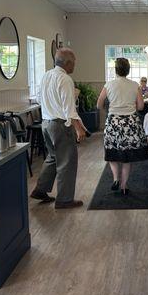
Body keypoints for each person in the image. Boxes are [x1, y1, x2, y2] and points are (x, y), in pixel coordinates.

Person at [30, 48, 86, 209]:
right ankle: (65, 199)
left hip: (46, 123)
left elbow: (39, 98)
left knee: (53, 157)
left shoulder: (46, 75)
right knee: (67, 162)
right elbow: (69, 108)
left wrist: (50, 109)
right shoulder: (65, 79)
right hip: (60, 125)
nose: (75, 65)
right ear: (68, 63)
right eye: (74, 62)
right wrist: (79, 128)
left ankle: (40, 190)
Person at [97, 58, 148, 195]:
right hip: (130, 123)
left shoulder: (108, 85)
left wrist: (108, 112)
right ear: (128, 70)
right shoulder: (134, 85)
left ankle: (115, 178)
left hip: (113, 122)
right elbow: (141, 106)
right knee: (127, 157)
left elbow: (99, 104)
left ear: (116, 70)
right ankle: (124, 186)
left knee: (112, 153)